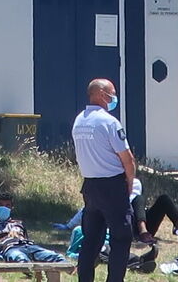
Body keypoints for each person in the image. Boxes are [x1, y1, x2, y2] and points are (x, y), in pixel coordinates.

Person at [71, 78, 135, 282]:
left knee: (90, 240)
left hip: (90, 185)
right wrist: (130, 181)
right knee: (121, 237)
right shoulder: (108, 121)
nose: (114, 97)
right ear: (100, 94)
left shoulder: (79, 120)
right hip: (112, 185)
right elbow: (127, 158)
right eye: (111, 93)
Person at [0, 192, 66, 263]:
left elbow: (26, 238)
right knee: (21, 260)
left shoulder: (19, 224)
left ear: (12, 208)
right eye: (0, 205)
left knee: (56, 257)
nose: (3, 208)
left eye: (7, 205)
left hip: (28, 245)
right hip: (9, 248)